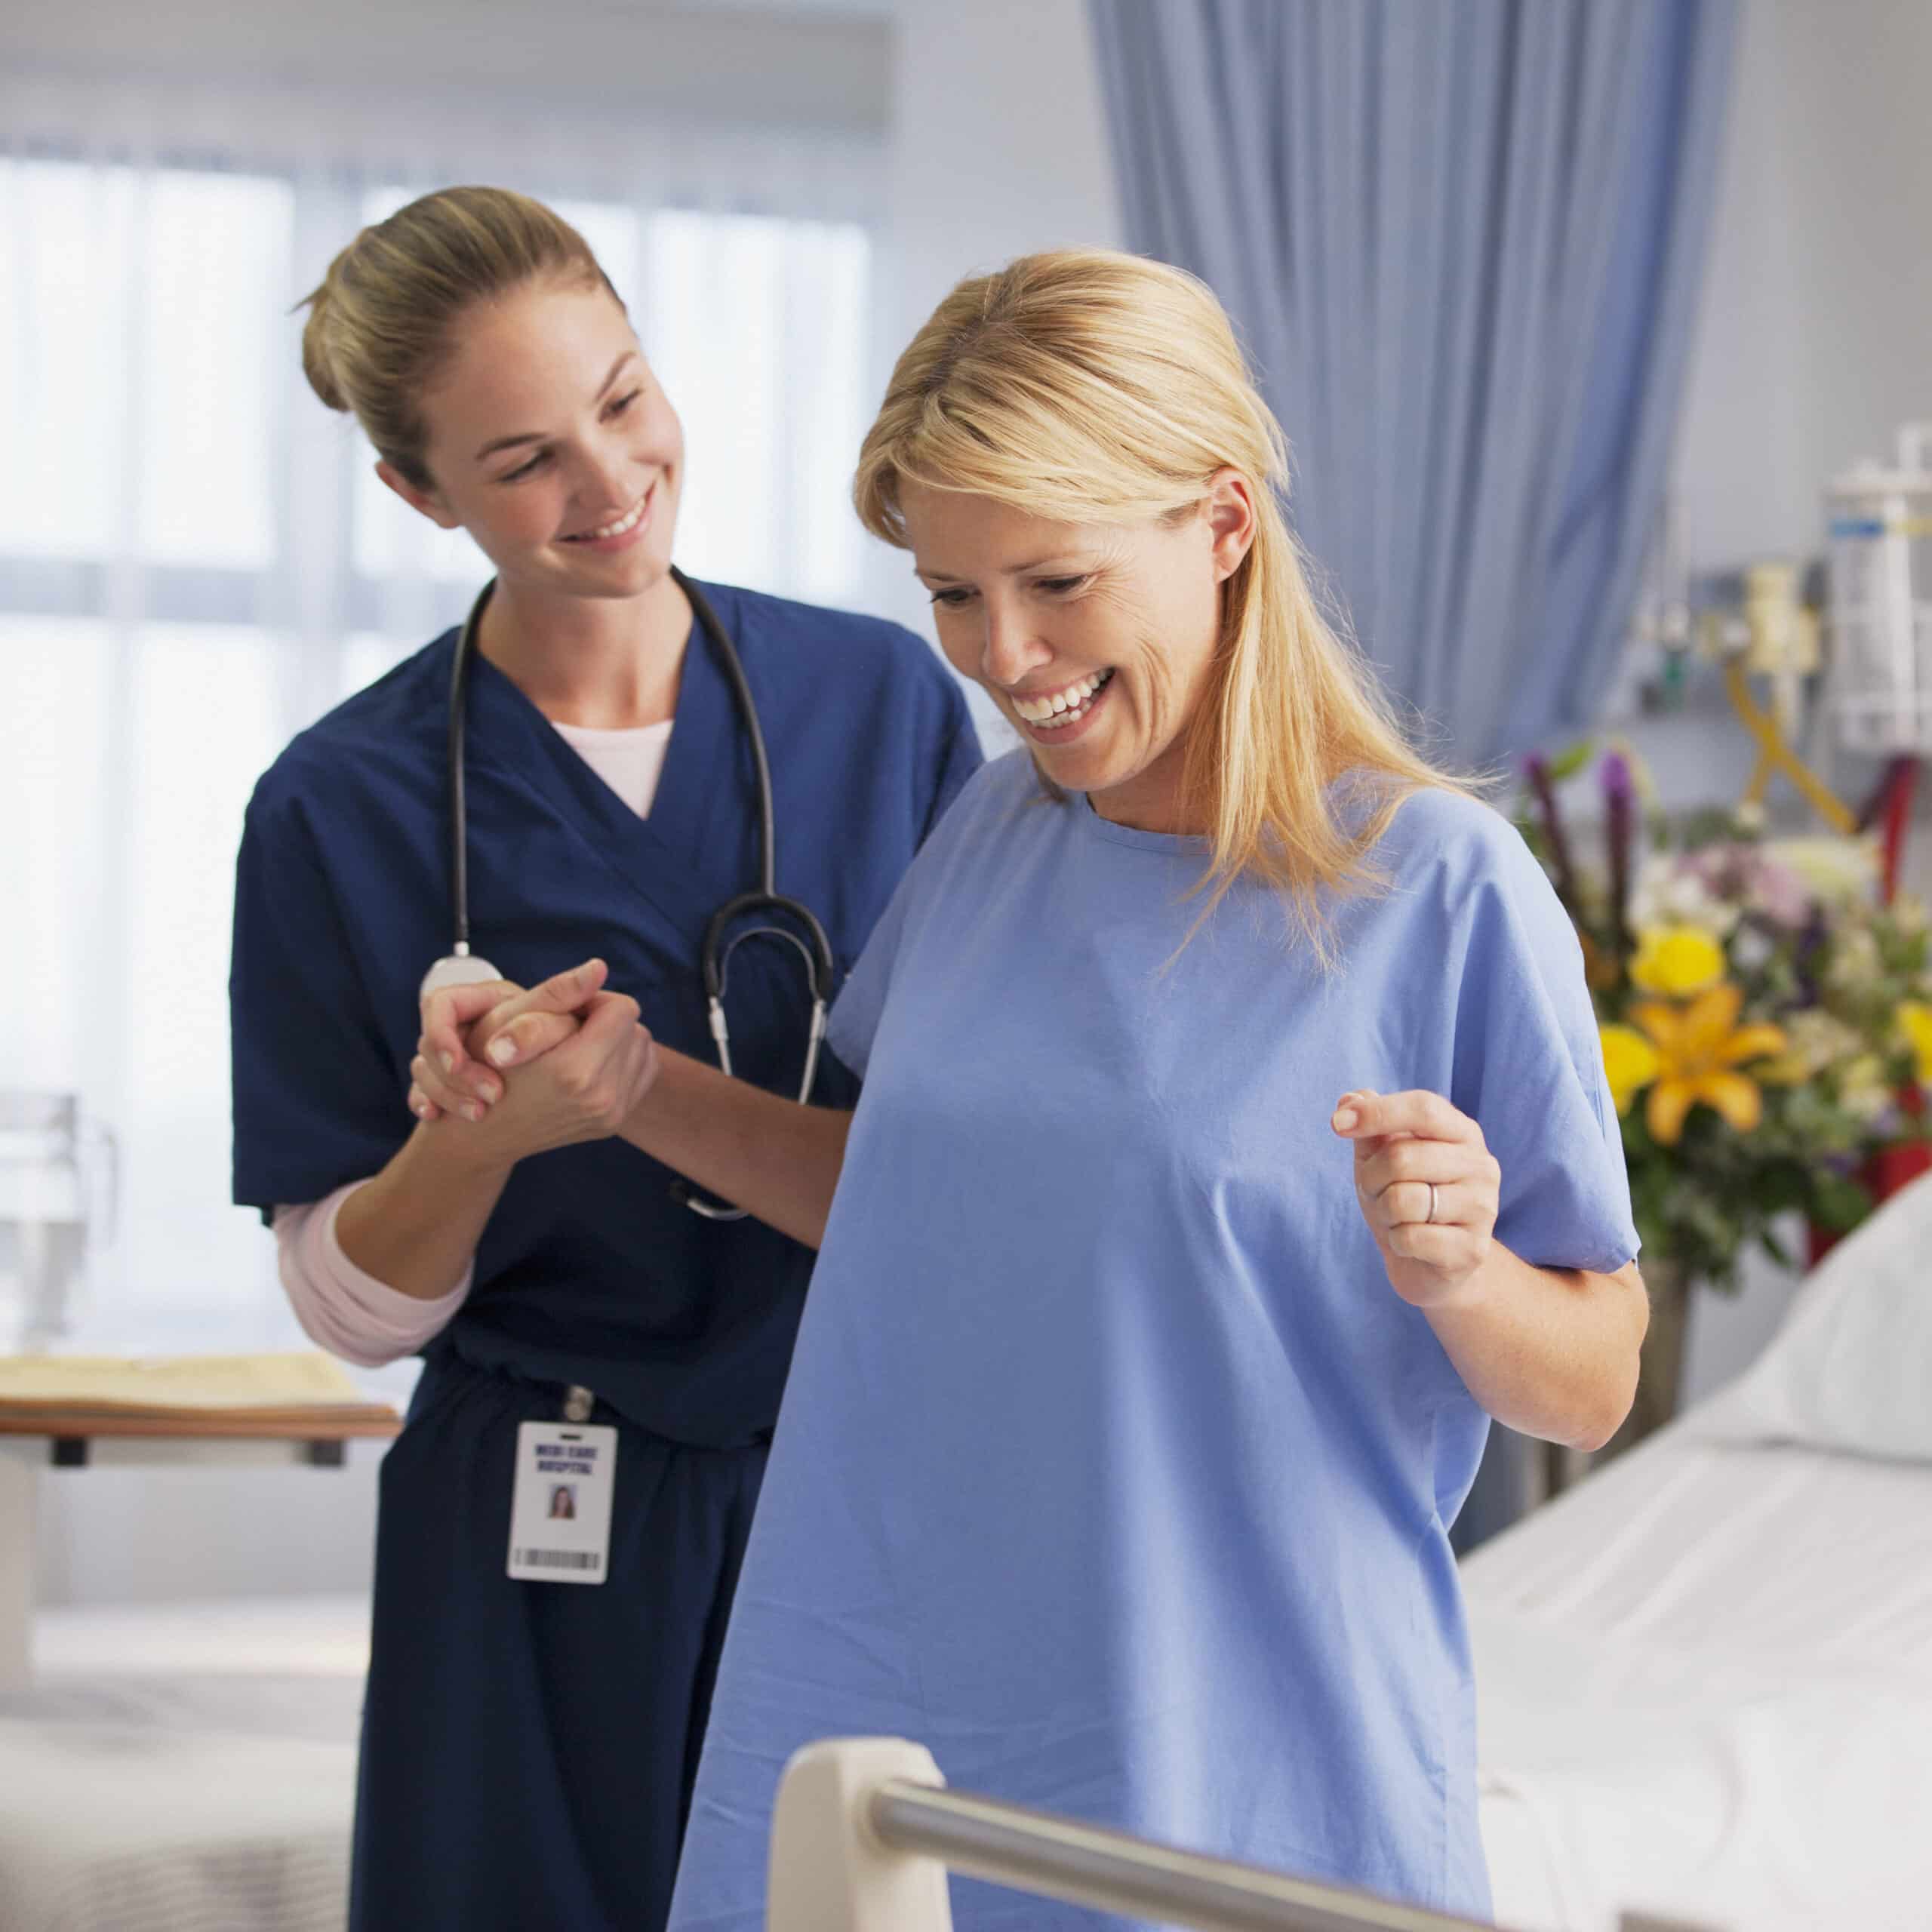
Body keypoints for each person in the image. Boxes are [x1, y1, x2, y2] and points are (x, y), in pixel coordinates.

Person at [412, 248, 1644, 1925]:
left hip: (1231, 1751)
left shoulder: (1434, 886)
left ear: (1218, 524)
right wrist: (632, 1086)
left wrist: (1459, 1270)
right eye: (951, 592)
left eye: (1053, 581)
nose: (1003, 655)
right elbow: (898, 1196)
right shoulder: (996, 834)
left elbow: (1588, 1380)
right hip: (886, 1701)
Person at [228, 186, 980, 1932]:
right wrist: (476, 1137)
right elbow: (348, 1304)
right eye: (523, 460)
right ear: (421, 495)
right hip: (526, 1518)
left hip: (844, 1490)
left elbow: (965, 1169)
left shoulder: (882, 702)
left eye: (624, 400)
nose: (609, 481)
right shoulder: (341, 805)